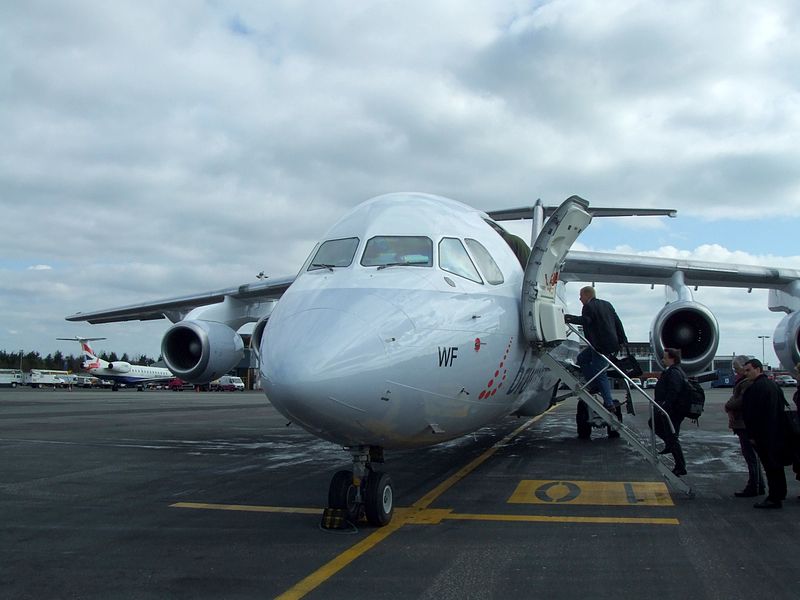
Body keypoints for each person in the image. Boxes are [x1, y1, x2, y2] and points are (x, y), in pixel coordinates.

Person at [566, 286, 627, 440]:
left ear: (587, 295)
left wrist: (568, 318)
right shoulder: (607, 304)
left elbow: (587, 321)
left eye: (580, 296)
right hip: (608, 345)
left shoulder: (588, 307)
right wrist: (622, 341)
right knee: (582, 359)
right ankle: (593, 384)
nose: (580, 299)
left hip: (601, 347)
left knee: (600, 374)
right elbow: (617, 322)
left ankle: (608, 403)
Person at [741, 358, 788, 509]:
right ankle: (779, 493)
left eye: (748, 370)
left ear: (758, 369)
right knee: (776, 466)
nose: (746, 373)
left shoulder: (756, 388)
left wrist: (752, 436)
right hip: (776, 432)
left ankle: (774, 498)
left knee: (770, 467)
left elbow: (752, 415)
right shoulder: (773, 385)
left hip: (764, 435)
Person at [724, 355, 765, 497]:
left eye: (737, 369)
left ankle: (755, 485)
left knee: (751, 456)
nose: (736, 372)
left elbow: (738, 401)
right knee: (751, 456)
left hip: (744, 424)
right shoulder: (743, 382)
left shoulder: (746, 383)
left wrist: (728, 406)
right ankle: (758, 484)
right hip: (742, 423)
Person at [652, 348, 688, 476]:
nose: (663, 359)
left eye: (665, 357)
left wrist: (666, 406)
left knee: (672, 437)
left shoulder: (674, 372)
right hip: (669, 409)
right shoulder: (672, 371)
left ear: (672, 359)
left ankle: (680, 466)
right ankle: (669, 445)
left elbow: (674, 390)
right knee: (654, 422)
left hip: (672, 411)